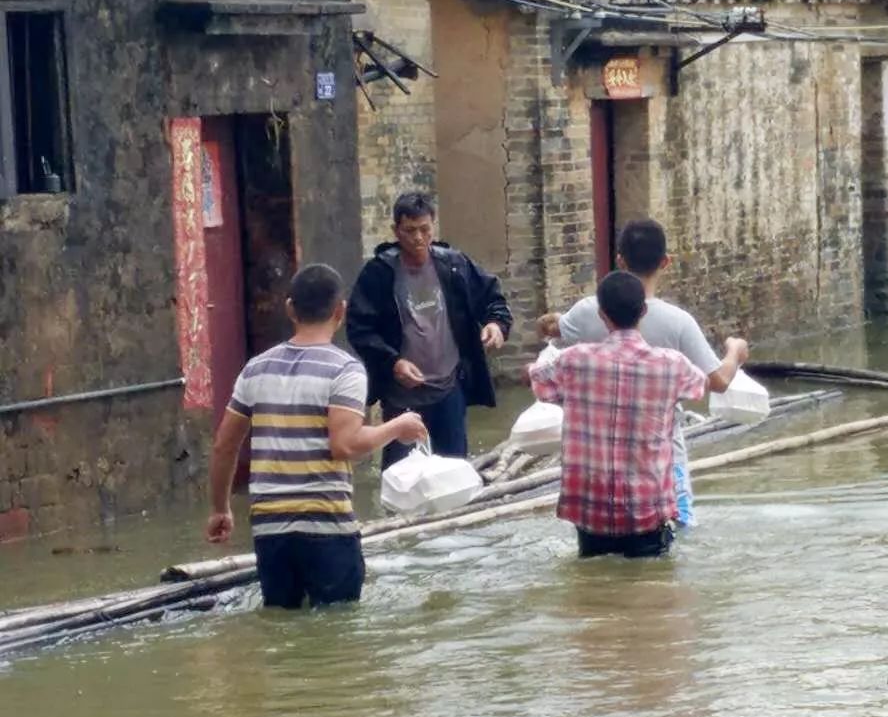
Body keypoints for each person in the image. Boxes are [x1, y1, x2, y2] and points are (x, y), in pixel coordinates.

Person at [205, 264, 427, 609]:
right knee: (338, 634)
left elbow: (224, 445)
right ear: (341, 310)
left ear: (290, 309)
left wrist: (220, 509)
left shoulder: (256, 368)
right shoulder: (345, 369)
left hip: (270, 530)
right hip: (326, 527)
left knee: (282, 630)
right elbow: (346, 445)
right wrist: (397, 427)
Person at [537, 219, 749, 528]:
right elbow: (717, 381)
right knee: (674, 532)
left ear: (620, 261)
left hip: (598, 463)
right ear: (665, 262)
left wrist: (553, 320)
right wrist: (735, 351)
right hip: (658, 455)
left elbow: (551, 331)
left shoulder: (586, 313)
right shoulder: (677, 324)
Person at [529, 271, 707, 558]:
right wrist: (735, 353)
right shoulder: (672, 365)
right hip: (647, 515)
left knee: (594, 593)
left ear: (602, 315)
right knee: (651, 592)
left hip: (591, 515)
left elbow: (538, 383)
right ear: (644, 311)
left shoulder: (574, 361)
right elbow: (701, 386)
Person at [346, 191, 512, 469]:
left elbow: (492, 297)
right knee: (402, 473)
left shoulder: (454, 265)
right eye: (410, 231)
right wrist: (393, 362)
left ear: (434, 226)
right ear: (396, 231)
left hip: (449, 386)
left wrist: (496, 324)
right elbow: (360, 328)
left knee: (453, 469)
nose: (419, 238)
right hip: (402, 395)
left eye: (425, 229)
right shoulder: (379, 273)